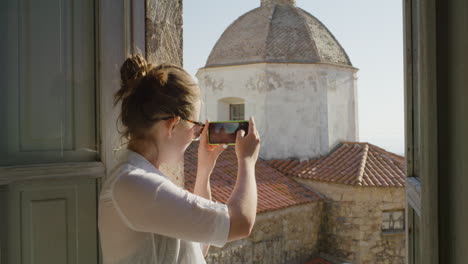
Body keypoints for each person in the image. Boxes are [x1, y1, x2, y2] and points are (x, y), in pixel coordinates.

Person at [98, 53, 260, 264]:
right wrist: (247, 160)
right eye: (195, 127)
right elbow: (240, 223)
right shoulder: (133, 184)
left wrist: (204, 171)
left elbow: (199, 247)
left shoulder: (142, 180)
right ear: (172, 125)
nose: (196, 135)